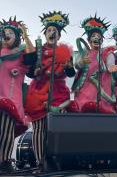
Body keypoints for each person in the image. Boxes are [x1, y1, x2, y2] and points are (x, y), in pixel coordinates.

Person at [25, 11, 75, 168]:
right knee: (39, 129)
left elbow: (71, 72)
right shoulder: (38, 51)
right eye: (49, 31)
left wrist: (69, 68)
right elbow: (29, 71)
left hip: (59, 95)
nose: (52, 33)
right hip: (39, 93)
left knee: (58, 129)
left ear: (59, 36)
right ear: (45, 34)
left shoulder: (65, 52)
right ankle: (41, 162)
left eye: (55, 31)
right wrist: (35, 72)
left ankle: (58, 160)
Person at [0, 17, 36, 172]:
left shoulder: (21, 52)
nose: (6, 35)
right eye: (4, 33)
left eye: (10, 33)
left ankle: (5, 160)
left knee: (6, 130)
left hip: (11, 96)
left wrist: (25, 35)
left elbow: (32, 59)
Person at [72, 15, 117, 113]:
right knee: (83, 108)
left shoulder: (106, 53)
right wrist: (82, 62)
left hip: (101, 86)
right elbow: (76, 65)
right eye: (93, 36)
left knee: (100, 109)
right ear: (89, 40)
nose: (96, 38)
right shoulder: (84, 52)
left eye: (99, 37)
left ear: (102, 40)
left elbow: (110, 64)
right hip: (84, 87)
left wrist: (111, 67)